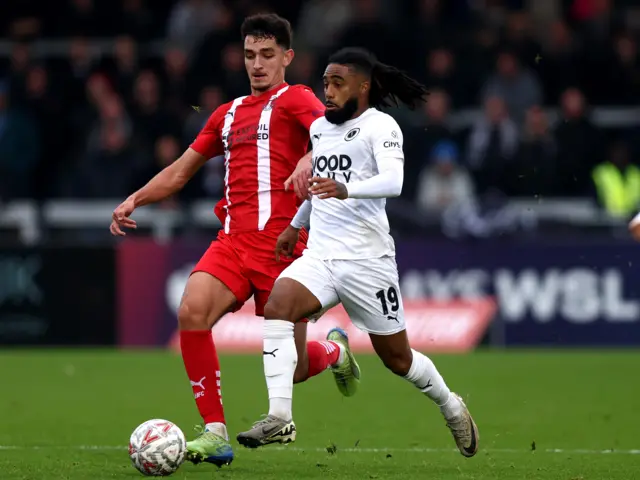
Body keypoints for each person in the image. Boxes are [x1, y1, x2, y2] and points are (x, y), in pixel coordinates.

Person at [109, 14, 361, 467]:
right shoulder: (226, 115)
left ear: (287, 57)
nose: (258, 65)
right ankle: (215, 432)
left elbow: (340, 134)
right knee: (191, 310)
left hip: (285, 248)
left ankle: (335, 350)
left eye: (267, 55)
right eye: (250, 55)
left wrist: (308, 156)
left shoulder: (297, 98)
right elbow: (181, 171)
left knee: (298, 369)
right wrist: (136, 199)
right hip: (233, 242)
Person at [236, 47, 479, 458]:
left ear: (362, 87)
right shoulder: (320, 130)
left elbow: (394, 182)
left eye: (337, 84)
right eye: (325, 83)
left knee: (398, 360)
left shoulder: (380, 126)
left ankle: (450, 406)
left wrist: (348, 189)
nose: (327, 92)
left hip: (368, 261)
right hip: (322, 254)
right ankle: (279, 418)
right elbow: (321, 187)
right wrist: (297, 223)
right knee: (278, 305)